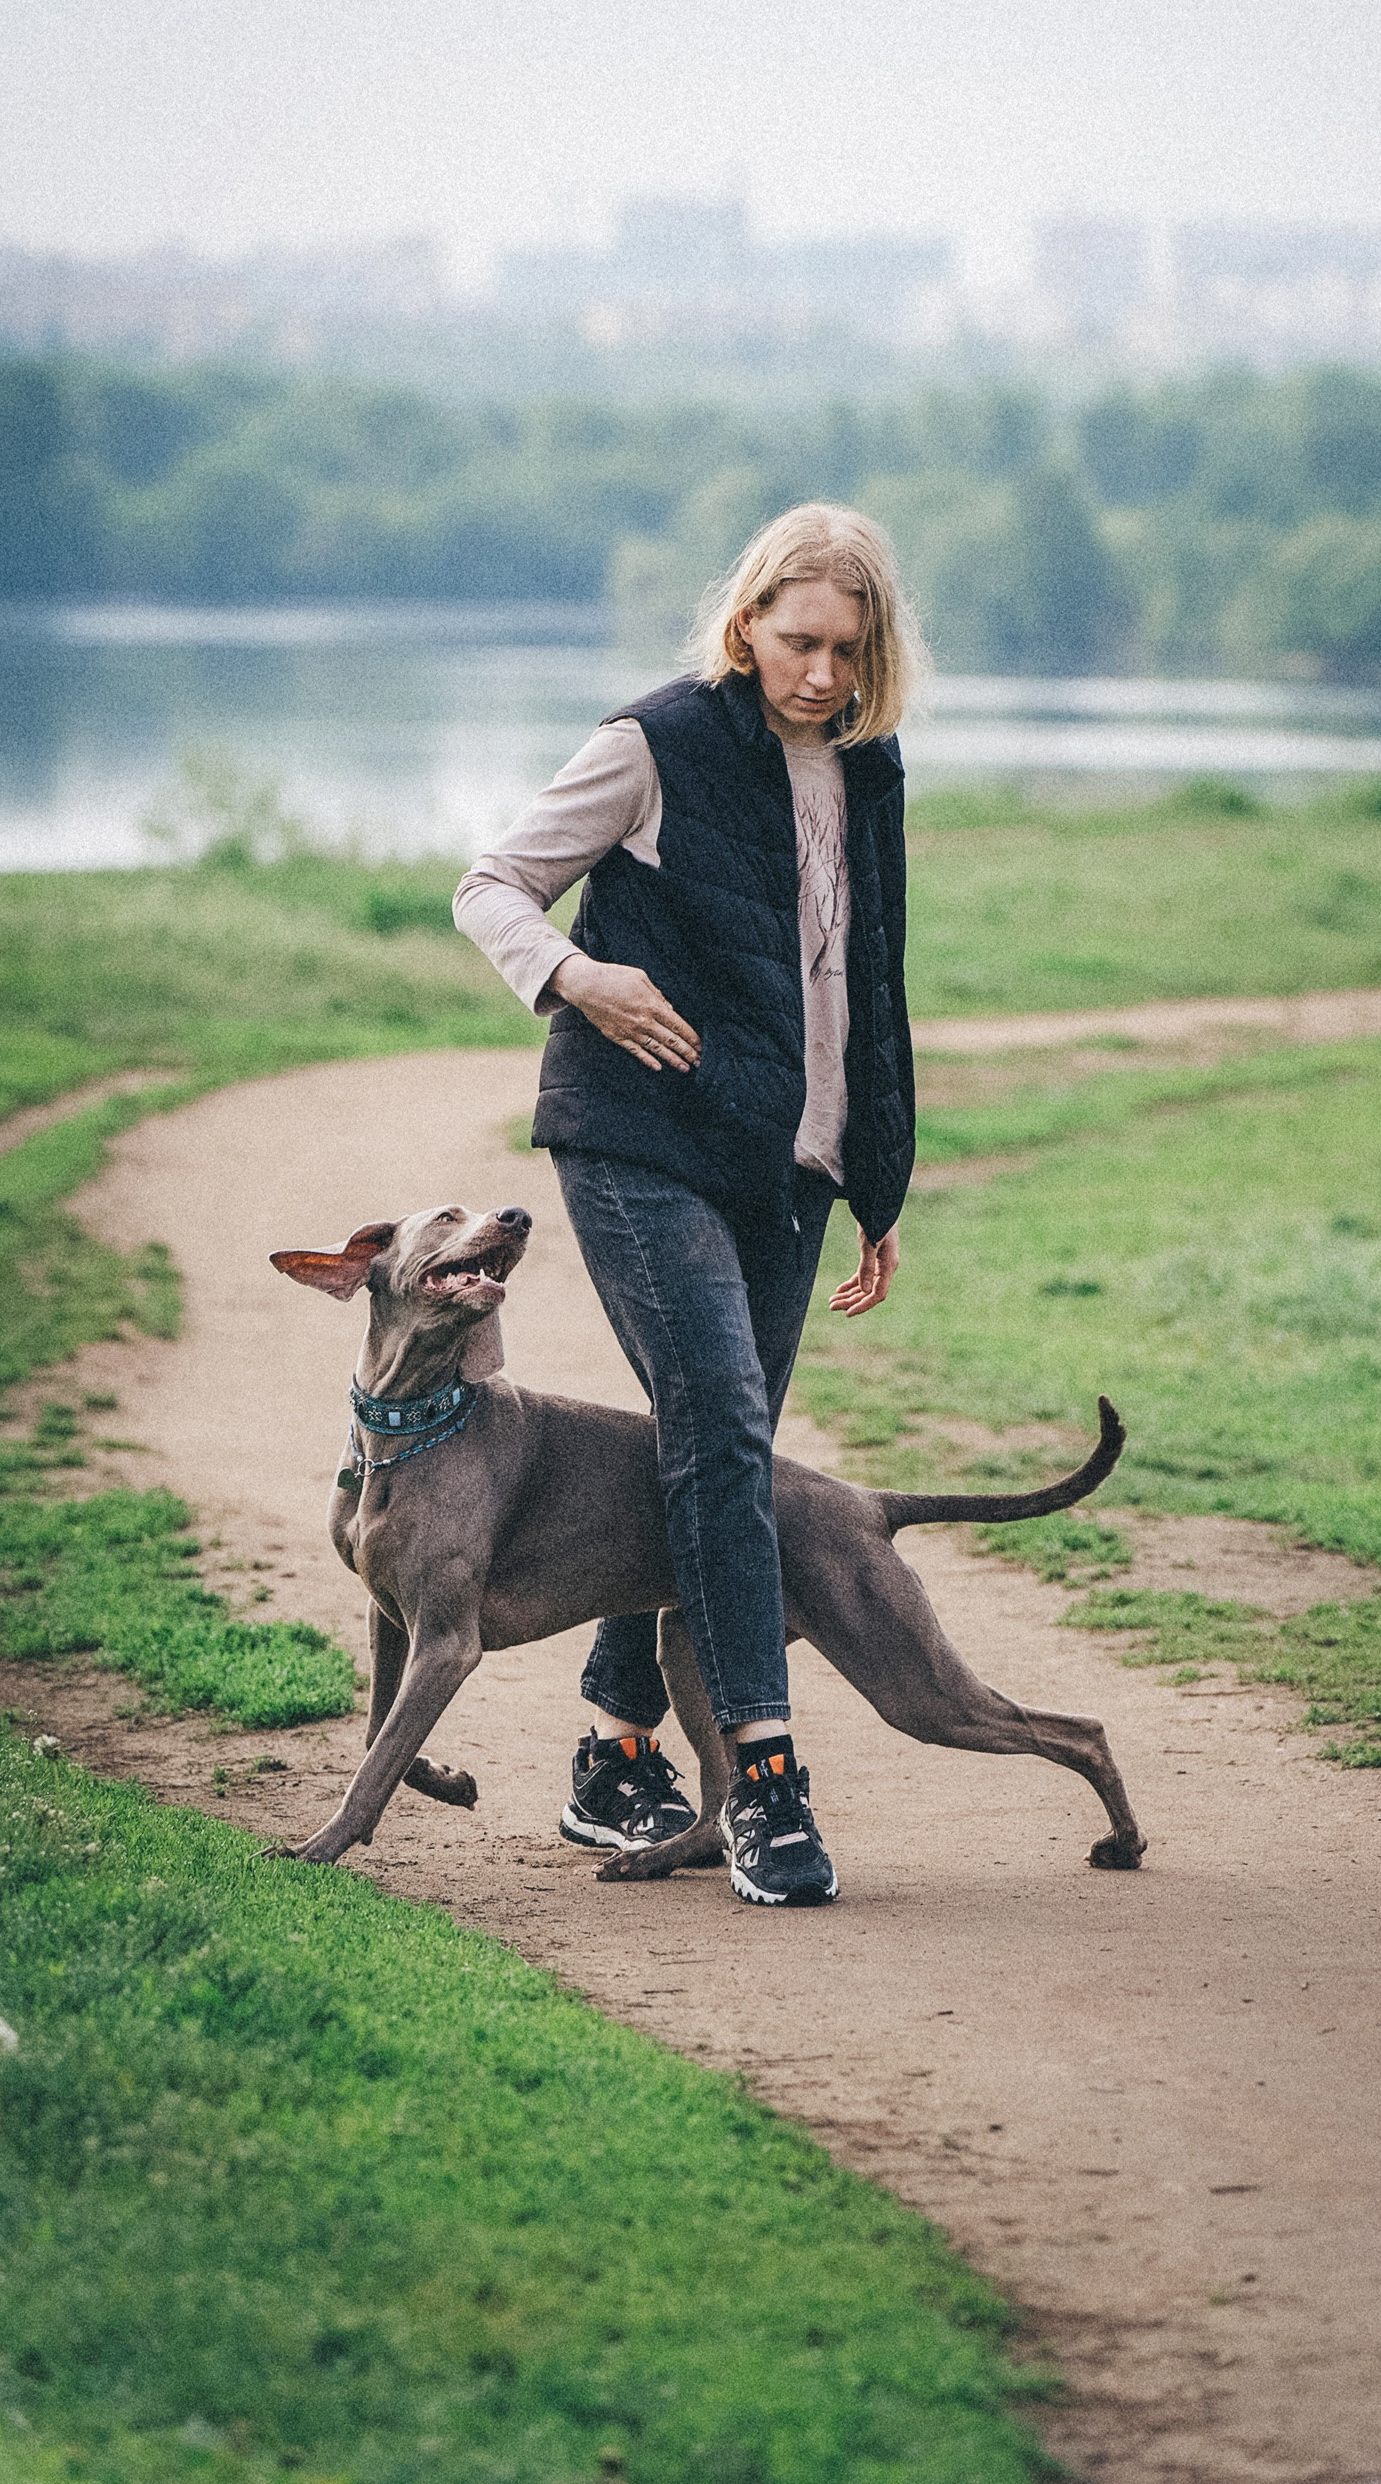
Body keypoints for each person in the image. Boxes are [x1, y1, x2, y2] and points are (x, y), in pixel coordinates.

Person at [453, 504, 920, 1906]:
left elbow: (863, 988)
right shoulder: (654, 743)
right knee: (719, 1427)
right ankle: (764, 1781)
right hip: (640, 1136)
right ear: (747, 623)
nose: (822, 674)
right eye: (798, 642)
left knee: (719, 1447)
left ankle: (612, 1754)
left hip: (786, 1166)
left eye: (849, 648)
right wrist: (578, 979)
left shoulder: (867, 768)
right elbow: (493, 884)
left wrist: (873, 1171)